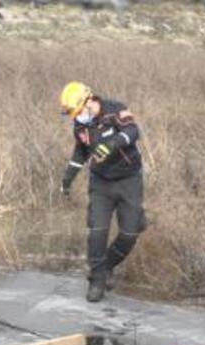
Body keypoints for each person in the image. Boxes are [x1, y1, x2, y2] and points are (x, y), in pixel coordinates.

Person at [59, 81, 146, 303]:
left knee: (130, 233)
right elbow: (80, 152)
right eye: (73, 114)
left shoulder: (114, 109)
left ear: (89, 102)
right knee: (97, 232)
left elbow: (133, 131)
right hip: (101, 183)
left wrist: (113, 144)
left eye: (77, 111)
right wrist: (68, 179)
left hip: (129, 179)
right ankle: (97, 280)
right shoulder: (80, 126)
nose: (75, 117)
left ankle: (106, 266)